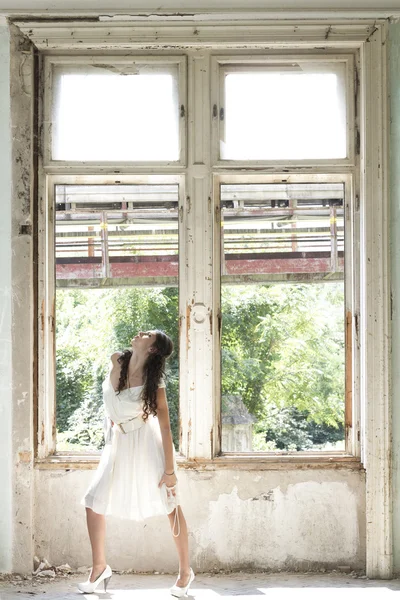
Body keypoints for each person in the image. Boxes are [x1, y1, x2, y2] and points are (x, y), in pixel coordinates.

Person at [78, 330, 195, 597]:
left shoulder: (155, 381)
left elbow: (165, 427)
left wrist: (170, 472)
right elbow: (112, 403)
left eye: (147, 334)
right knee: (93, 501)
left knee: (170, 504)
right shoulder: (117, 359)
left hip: (145, 442)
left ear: (153, 349)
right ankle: (99, 567)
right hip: (118, 442)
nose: (140, 333)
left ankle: (185, 573)